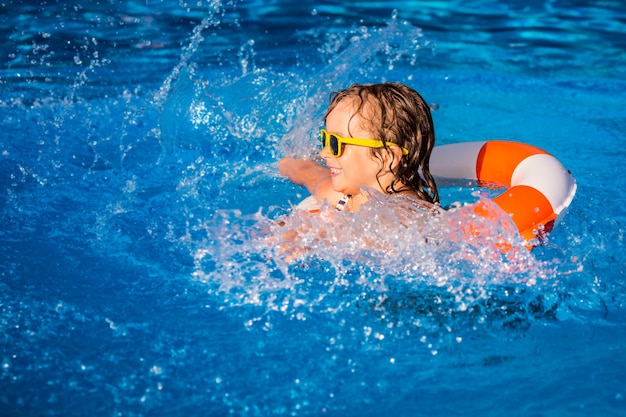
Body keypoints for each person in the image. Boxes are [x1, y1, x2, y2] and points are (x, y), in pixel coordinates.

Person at [279, 82, 439, 213]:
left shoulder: (406, 209)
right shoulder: (345, 196)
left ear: (385, 157)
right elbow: (307, 172)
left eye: (335, 143)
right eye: (325, 139)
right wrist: (285, 164)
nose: (324, 152)